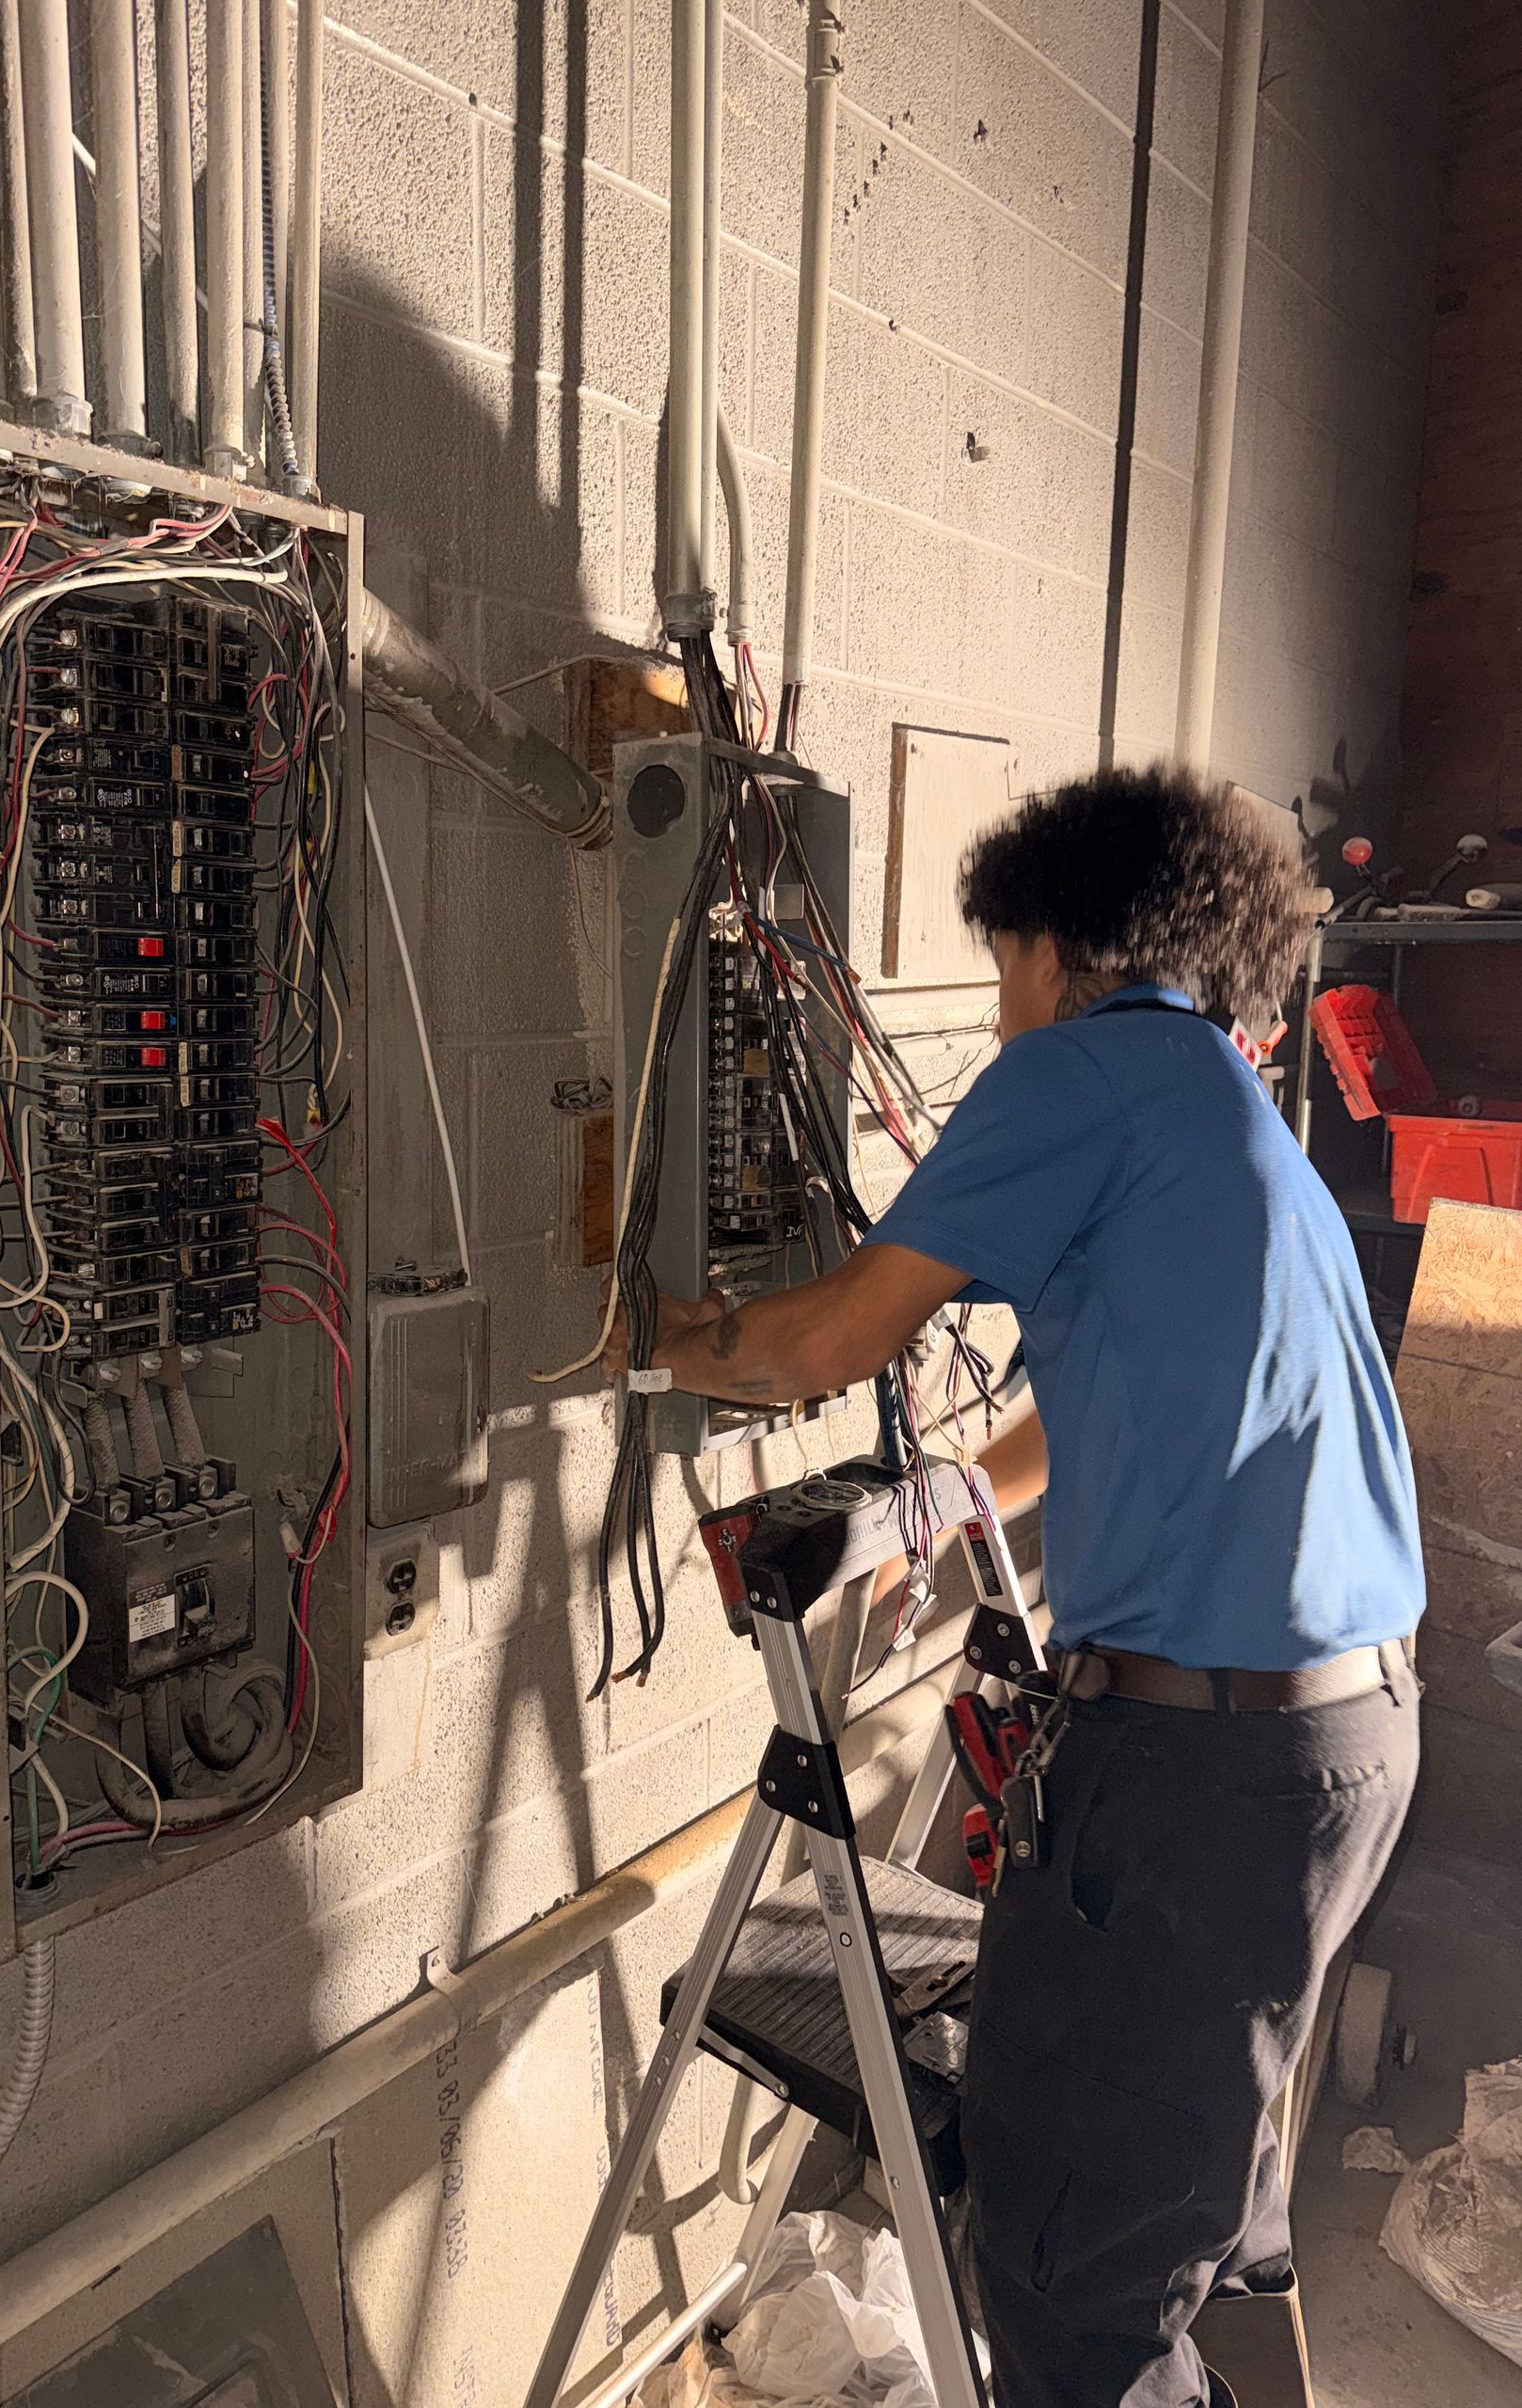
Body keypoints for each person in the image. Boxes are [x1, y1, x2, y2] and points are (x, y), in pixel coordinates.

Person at [603, 765, 1423, 2408]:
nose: (995, 1016)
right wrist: (966, 1486)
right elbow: (1144, 1385)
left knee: (1069, 2292)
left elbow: (831, 1338)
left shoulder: (1084, 1075)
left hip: (1200, 1777)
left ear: (1063, 945)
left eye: (998, 973)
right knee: (1185, 2186)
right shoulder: (1225, 1107)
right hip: (1347, 1744)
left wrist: (656, 1333)